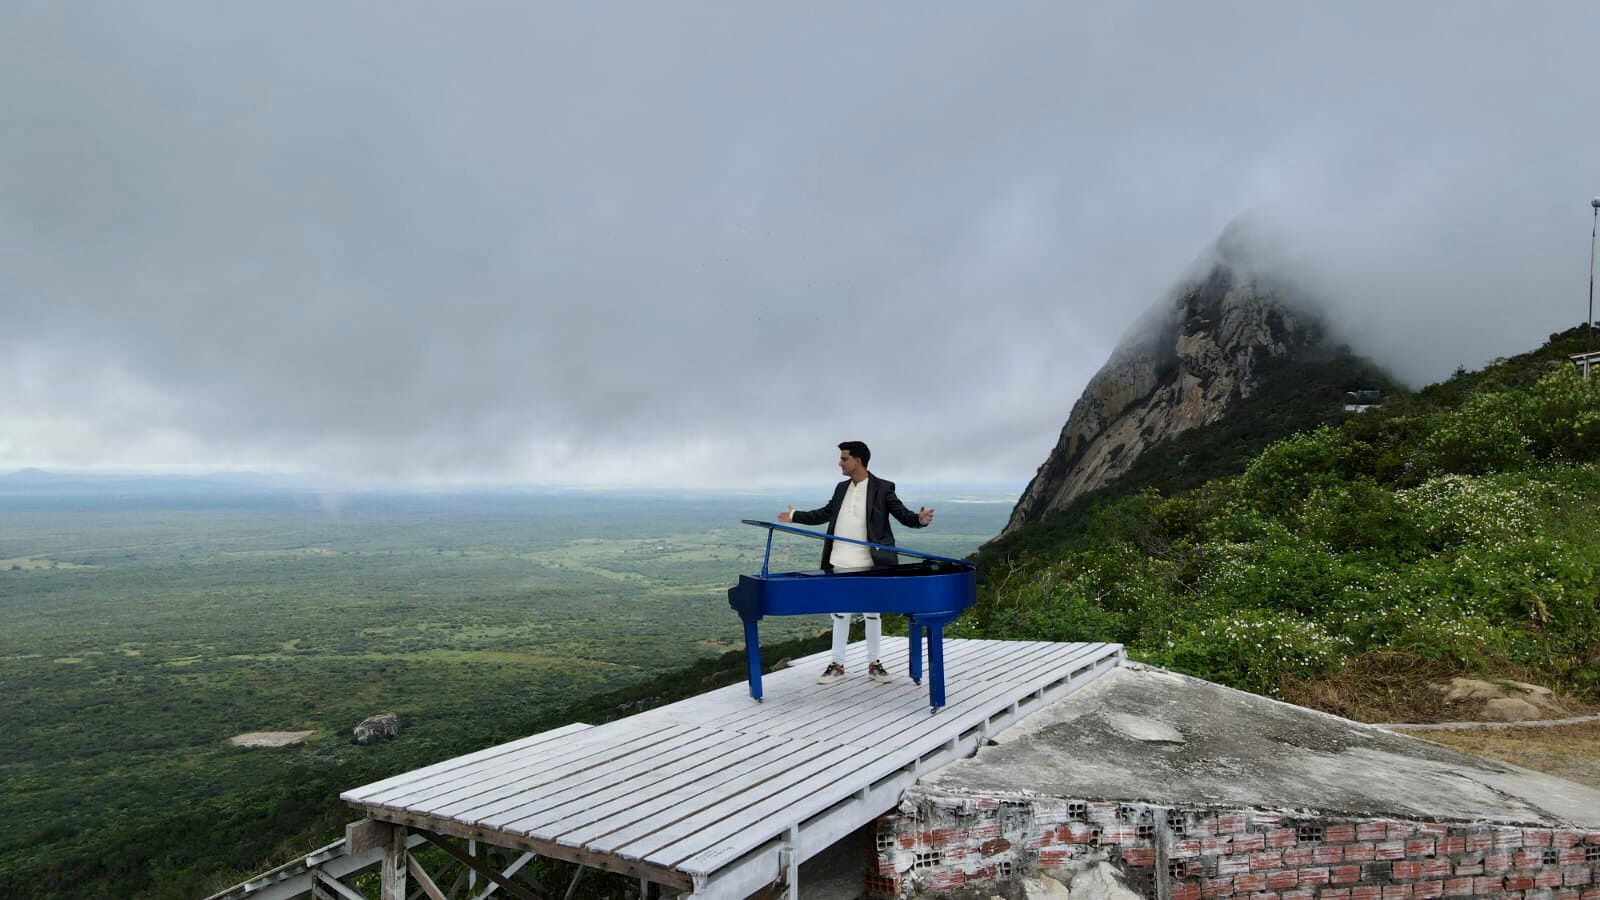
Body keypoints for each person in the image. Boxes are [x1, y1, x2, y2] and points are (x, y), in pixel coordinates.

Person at [778, 441, 934, 686]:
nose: (840, 463)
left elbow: (903, 515)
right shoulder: (841, 488)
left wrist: (920, 520)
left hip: (871, 564)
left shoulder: (883, 488)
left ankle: (875, 664)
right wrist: (795, 516)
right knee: (840, 613)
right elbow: (824, 514)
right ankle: (837, 665)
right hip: (839, 561)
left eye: (844, 458)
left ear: (858, 460)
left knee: (872, 614)